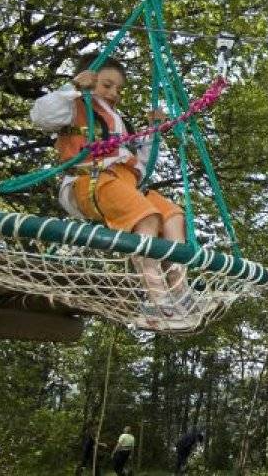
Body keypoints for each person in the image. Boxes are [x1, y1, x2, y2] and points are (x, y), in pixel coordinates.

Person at [30, 53, 188, 317]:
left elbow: (141, 166)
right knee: (146, 217)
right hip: (90, 181)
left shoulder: (120, 122)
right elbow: (41, 116)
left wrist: (152, 132)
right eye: (107, 85)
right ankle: (155, 295)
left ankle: (180, 289)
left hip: (124, 184)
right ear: (90, 80)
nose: (114, 92)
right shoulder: (76, 106)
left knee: (172, 215)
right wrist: (73, 86)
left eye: (118, 88)